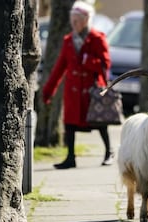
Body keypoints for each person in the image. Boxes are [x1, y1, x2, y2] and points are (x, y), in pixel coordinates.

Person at [42, 0, 113, 169]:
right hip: (73, 90)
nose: (73, 23)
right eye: (72, 20)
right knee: (70, 125)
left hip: (92, 89)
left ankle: (109, 152)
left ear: (86, 20)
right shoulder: (68, 40)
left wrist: (89, 61)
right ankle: (70, 157)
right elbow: (59, 67)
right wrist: (48, 90)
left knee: (99, 123)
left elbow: (105, 65)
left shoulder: (97, 38)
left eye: (77, 20)